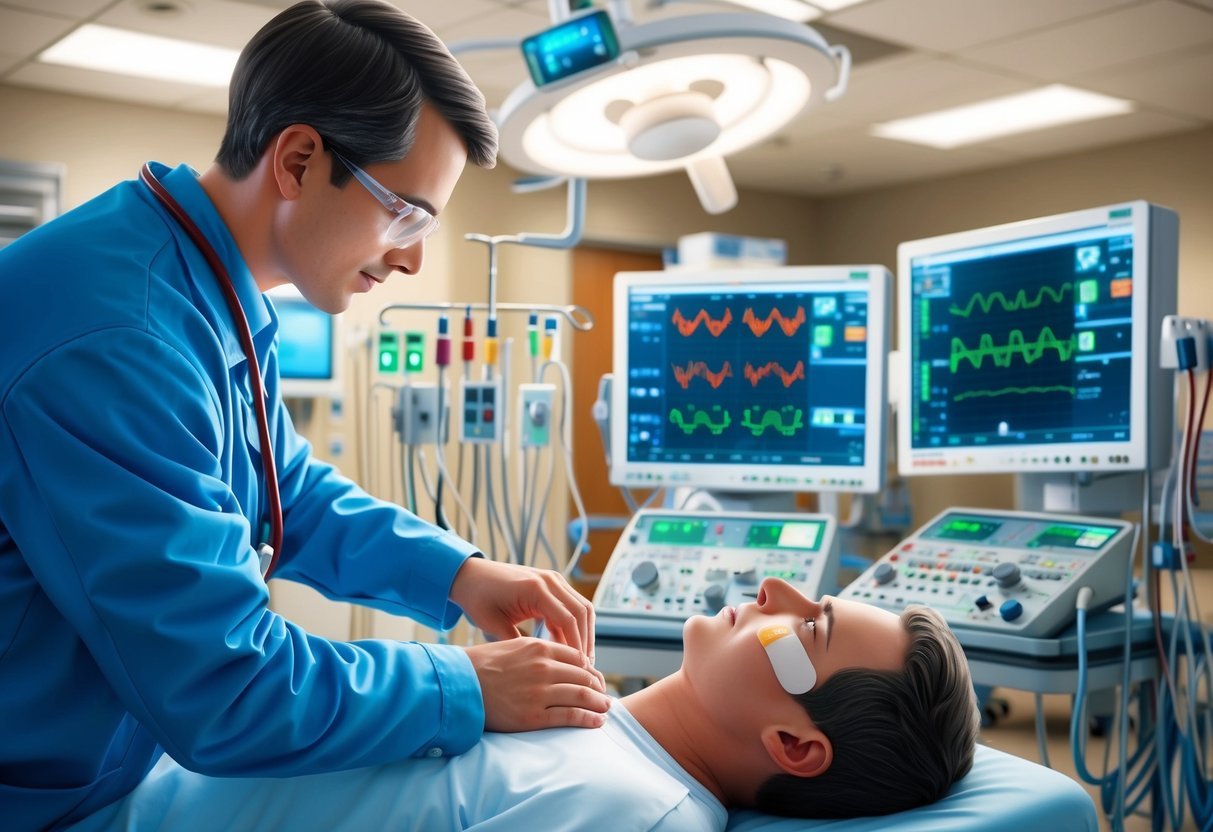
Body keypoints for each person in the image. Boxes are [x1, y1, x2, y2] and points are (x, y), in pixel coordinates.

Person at [0, 2, 613, 830]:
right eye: (405, 213)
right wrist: (463, 684)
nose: (411, 257)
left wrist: (456, 574)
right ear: (297, 159)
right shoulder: (116, 338)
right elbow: (224, 689)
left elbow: (279, 488)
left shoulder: (203, 281)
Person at [67, 577, 980, 831]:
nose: (777, 587)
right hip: (109, 762)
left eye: (810, 628)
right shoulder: (590, 719)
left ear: (794, 746)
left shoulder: (640, 810)